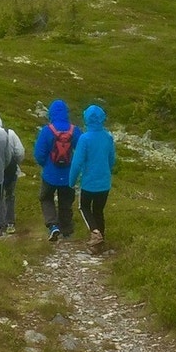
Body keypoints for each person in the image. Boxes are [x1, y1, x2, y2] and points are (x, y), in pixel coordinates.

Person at [68, 104, 117, 250]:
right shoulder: (108, 137)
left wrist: (71, 181)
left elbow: (77, 163)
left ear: (86, 119)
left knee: (84, 207)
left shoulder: (85, 138)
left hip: (89, 182)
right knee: (98, 210)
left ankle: (95, 233)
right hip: (104, 182)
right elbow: (112, 160)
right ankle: (100, 242)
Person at [35, 99, 82, 242]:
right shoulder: (74, 130)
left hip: (50, 174)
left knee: (46, 197)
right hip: (69, 174)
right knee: (66, 202)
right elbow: (81, 151)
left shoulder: (47, 131)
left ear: (51, 113)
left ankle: (53, 226)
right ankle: (67, 231)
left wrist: (45, 165)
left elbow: (39, 154)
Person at [0, 122, 25, 235]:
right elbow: (20, 152)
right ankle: (10, 223)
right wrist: (16, 163)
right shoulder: (10, 133)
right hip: (10, 170)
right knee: (10, 195)